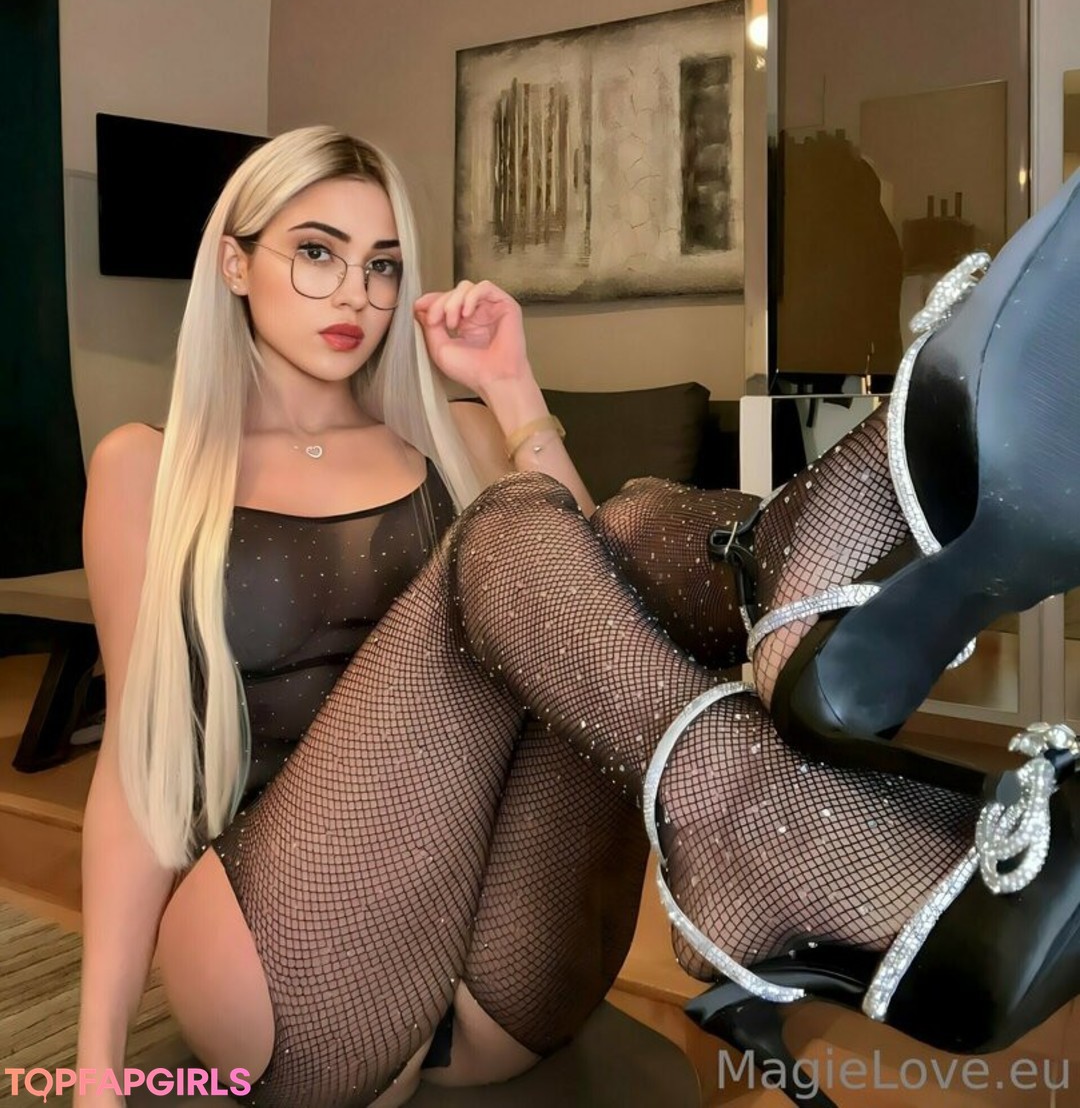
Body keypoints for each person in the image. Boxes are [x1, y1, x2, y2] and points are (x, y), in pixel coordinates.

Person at [78, 124, 1080, 1108]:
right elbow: (134, 769)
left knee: (619, 530)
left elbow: (603, 594)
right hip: (284, 968)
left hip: (492, 987)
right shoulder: (149, 468)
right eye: (315, 253)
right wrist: (94, 1066)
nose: (356, 294)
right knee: (505, 535)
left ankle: (804, 586)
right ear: (235, 262)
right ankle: (867, 523)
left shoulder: (453, 435)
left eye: (382, 265)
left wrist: (508, 383)